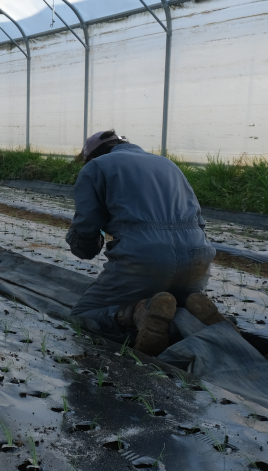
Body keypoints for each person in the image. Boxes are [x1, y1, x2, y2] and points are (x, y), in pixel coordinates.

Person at [65, 130, 226, 355]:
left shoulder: (96, 167)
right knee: (173, 302)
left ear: (92, 156)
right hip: (197, 258)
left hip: (145, 260)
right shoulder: (168, 165)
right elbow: (198, 222)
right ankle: (191, 312)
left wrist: (83, 244)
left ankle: (138, 312)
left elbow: (85, 237)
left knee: (83, 316)